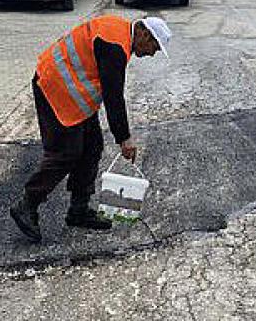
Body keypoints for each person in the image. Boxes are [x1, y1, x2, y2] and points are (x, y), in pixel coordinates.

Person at [10, 15, 171, 242]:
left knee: (92, 145)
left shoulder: (119, 33)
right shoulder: (115, 45)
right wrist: (124, 138)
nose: (153, 53)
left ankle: (79, 209)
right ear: (144, 34)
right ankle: (28, 204)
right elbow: (113, 96)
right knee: (66, 153)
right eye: (155, 46)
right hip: (54, 87)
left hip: (74, 94)